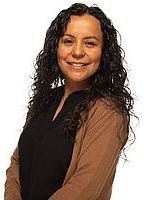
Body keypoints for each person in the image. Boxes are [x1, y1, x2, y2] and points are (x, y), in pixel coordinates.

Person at [4, 3, 135, 200]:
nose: (77, 52)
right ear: (56, 46)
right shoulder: (45, 99)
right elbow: (18, 162)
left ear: (104, 52)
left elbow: (86, 187)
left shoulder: (108, 111)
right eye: (68, 41)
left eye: (90, 43)